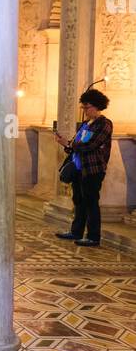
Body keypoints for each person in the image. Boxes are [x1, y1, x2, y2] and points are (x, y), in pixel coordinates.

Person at [55, 87, 113, 248]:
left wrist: (71, 144)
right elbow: (75, 145)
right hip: (79, 168)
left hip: (93, 170)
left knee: (91, 202)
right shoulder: (86, 124)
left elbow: (91, 145)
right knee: (79, 201)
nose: (85, 111)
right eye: (84, 107)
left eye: (87, 107)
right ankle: (76, 232)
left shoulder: (104, 124)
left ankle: (94, 236)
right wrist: (66, 143)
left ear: (96, 106)